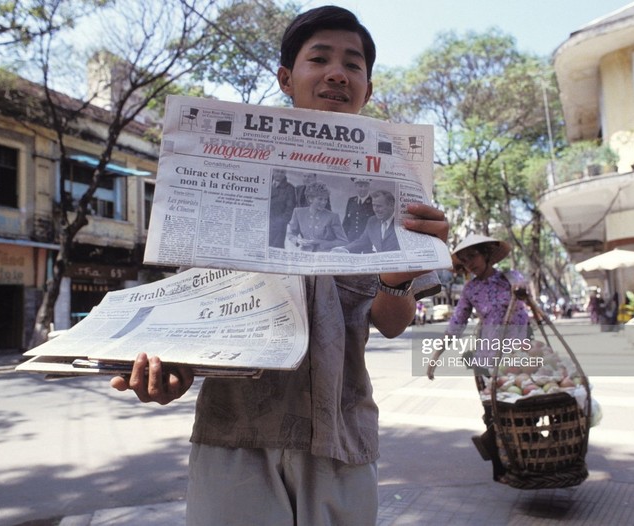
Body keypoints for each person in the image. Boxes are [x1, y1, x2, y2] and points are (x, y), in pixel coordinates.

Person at [110, 6, 449, 525]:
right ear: (286, 79)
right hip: (236, 435)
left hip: (342, 433)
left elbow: (390, 320)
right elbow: (199, 311)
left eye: (353, 64)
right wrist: (173, 368)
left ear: (368, 88)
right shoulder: (224, 164)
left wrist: (405, 267)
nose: (338, 72)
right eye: (320, 59)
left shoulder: (399, 181)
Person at [426, 233, 529, 481]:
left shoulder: (510, 277)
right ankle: (501, 467)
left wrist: (521, 290)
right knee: (493, 412)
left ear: (486, 254)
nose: (469, 262)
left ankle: (529, 459)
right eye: (464, 259)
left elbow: (525, 291)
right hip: (489, 358)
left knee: (523, 406)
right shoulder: (471, 289)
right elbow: (457, 323)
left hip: (519, 354)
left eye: (473, 255)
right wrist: (436, 356)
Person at [286, 181, 348, 251]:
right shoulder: (298, 212)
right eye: (320, 199)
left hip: (324, 255)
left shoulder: (333, 217)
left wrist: (322, 243)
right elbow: (291, 233)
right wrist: (297, 240)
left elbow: (343, 241)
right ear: (310, 199)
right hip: (306, 254)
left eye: (325, 199)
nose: (324, 202)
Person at [332, 189, 399, 253]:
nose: (375, 209)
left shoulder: (401, 223)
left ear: (391, 205)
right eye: (374, 205)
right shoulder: (372, 221)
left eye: (379, 206)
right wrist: (344, 249)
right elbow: (362, 241)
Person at [268, 168, 296, 248]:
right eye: (277, 171)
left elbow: (290, 208)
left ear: (285, 173)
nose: (279, 174)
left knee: (275, 247)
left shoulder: (290, 188)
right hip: (263, 222)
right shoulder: (265, 182)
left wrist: (281, 222)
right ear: (273, 171)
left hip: (278, 226)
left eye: (282, 172)